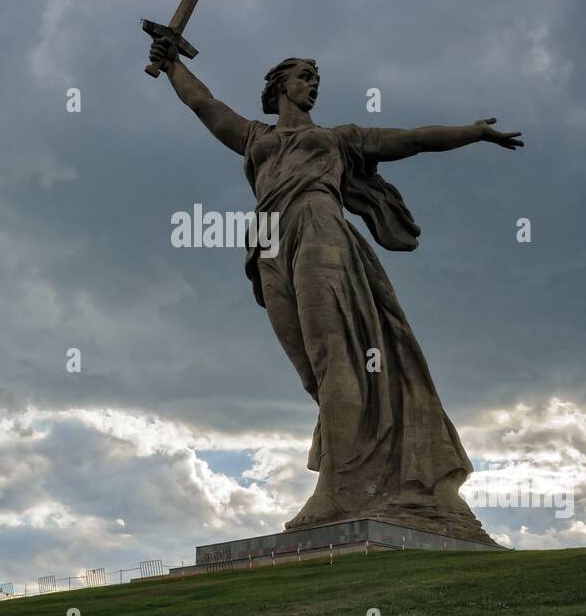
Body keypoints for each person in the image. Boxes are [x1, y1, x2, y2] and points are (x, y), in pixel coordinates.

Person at [148, 37, 522, 544]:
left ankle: (338, 487)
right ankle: (360, 470)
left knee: (334, 354)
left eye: (315, 79)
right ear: (279, 86)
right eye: (304, 76)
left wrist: (473, 133)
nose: (313, 84)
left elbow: (411, 139)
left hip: (321, 230)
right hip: (268, 246)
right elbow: (204, 103)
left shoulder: (339, 138)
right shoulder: (253, 135)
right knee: (312, 370)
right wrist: (171, 65)